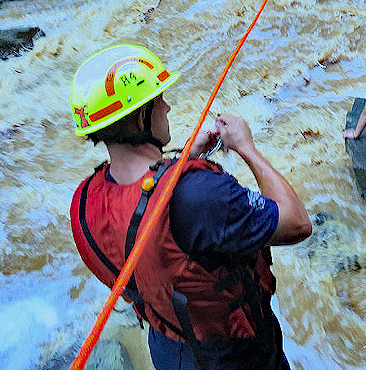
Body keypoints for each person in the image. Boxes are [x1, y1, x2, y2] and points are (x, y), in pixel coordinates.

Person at [69, 44, 311, 370]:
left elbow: (149, 214)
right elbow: (297, 223)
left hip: (168, 346)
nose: (168, 107)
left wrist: (184, 157)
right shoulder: (201, 195)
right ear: (142, 117)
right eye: (159, 101)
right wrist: (246, 148)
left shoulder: (85, 201)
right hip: (236, 358)